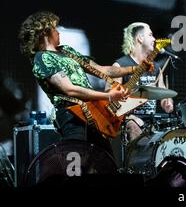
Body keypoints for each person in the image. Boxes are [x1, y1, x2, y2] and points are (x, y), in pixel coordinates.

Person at [18, 11, 137, 154]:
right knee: (76, 163)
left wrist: (134, 68)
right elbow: (70, 90)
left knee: (105, 160)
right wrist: (108, 96)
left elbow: (102, 70)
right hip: (71, 114)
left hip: (92, 113)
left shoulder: (67, 51)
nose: (58, 32)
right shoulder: (43, 58)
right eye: (55, 28)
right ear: (45, 32)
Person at [105, 22, 174, 141]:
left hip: (151, 121)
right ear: (140, 38)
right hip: (128, 120)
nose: (154, 39)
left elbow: (163, 93)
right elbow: (108, 99)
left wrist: (167, 103)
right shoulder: (120, 66)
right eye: (150, 35)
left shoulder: (156, 67)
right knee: (134, 126)